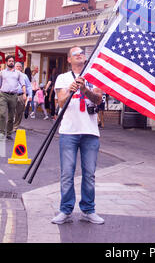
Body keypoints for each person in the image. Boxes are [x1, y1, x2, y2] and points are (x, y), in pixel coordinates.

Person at [52, 46, 104, 225]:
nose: (79, 55)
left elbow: (98, 99)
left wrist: (85, 90)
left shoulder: (95, 75)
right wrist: (70, 89)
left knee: (89, 173)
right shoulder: (63, 77)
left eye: (82, 52)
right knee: (67, 173)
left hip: (90, 131)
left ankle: (88, 210)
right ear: (69, 59)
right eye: (75, 53)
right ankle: (65, 210)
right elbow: (59, 101)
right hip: (69, 131)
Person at [0, 55, 26, 140]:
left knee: (11, 116)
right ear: (6, 62)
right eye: (9, 61)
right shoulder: (2, 72)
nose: (11, 62)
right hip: (3, 95)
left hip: (13, 96)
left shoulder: (18, 73)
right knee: (2, 114)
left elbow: (23, 84)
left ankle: (9, 133)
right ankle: (2, 132)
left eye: (12, 61)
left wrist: (25, 94)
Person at [13, 62, 33, 131]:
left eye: (19, 67)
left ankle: (15, 127)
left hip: (21, 95)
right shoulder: (11, 75)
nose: (18, 68)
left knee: (19, 112)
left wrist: (30, 95)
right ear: (14, 67)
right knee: (11, 111)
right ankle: (10, 125)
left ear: (21, 68)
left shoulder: (24, 76)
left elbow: (29, 86)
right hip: (12, 95)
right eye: (17, 66)